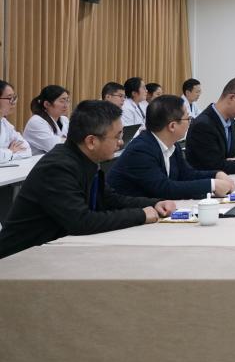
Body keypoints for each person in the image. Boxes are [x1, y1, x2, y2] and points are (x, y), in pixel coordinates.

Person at [0, 100, 176, 260]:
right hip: (17, 260)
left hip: (51, 254)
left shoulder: (85, 160)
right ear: (91, 141)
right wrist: (141, 215)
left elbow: (110, 199)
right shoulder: (58, 167)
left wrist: (154, 204)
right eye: (117, 136)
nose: (121, 142)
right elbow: (82, 221)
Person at [108, 95, 235, 199]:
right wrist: (212, 185)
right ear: (172, 126)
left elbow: (187, 174)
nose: (190, 122)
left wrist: (216, 174)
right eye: (188, 119)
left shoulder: (172, 145)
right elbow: (164, 189)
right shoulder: (141, 150)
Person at [22, 84, 70, 155]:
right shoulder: (36, 121)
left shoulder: (64, 120)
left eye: (67, 100)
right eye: (62, 101)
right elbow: (55, 147)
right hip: (36, 161)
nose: (66, 105)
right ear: (47, 104)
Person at [0, 80, 31, 163]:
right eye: (9, 98)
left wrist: (6, 154)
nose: (13, 103)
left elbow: (27, 149)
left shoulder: (4, 123)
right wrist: (10, 151)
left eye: (14, 98)